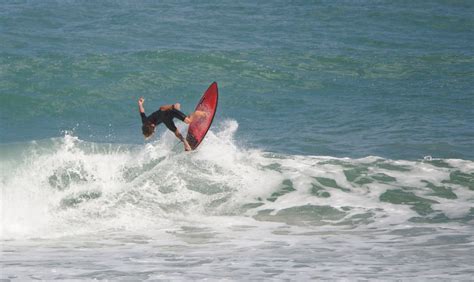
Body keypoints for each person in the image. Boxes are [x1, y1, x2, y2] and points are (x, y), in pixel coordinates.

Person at [138, 97, 205, 151]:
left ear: (152, 126)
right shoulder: (145, 123)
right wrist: (140, 104)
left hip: (170, 111)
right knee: (176, 133)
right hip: (166, 120)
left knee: (188, 121)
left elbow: (162, 108)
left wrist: (173, 106)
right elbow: (142, 112)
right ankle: (185, 143)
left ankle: (198, 113)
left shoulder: (148, 122)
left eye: (153, 131)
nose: (154, 131)